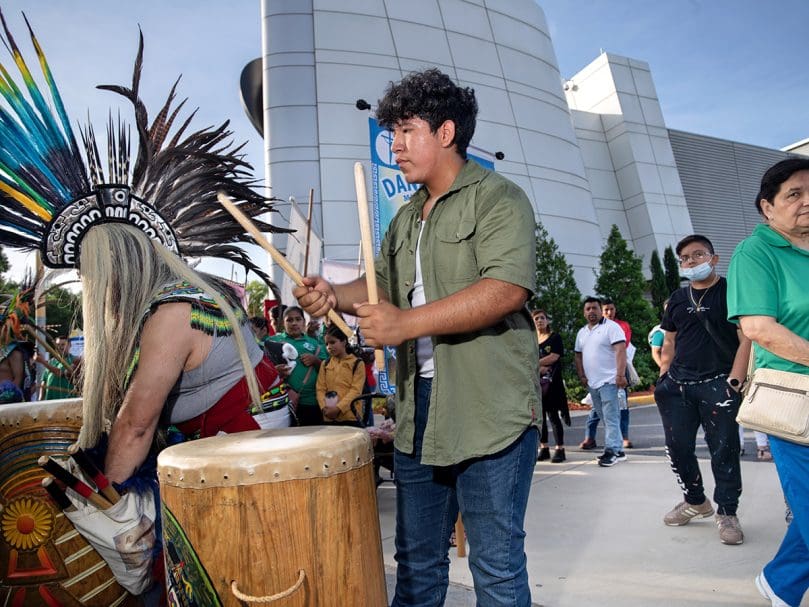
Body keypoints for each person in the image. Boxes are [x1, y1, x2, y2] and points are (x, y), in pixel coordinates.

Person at [293, 68, 539, 606]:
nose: (396, 147)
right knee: (416, 563)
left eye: (406, 132)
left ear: (445, 133)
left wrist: (406, 324)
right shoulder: (406, 217)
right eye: (392, 134)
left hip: (488, 408)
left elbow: (505, 290)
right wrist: (332, 295)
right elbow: (376, 288)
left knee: (495, 566)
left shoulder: (499, 198)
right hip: (416, 409)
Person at [727, 157, 809, 605]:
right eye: (794, 194)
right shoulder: (755, 252)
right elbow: (758, 328)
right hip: (795, 401)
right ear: (767, 208)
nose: (807, 202)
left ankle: (781, 583)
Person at [655, 234, 750, 546]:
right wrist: (664, 375)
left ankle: (727, 512)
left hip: (718, 384)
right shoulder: (678, 298)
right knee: (678, 449)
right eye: (685, 258)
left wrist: (735, 380)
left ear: (714, 258)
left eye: (698, 255)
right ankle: (696, 501)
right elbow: (668, 339)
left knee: (724, 450)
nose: (691, 262)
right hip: (678, 387)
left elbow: (746, 337)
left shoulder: (731, 292)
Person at [574, 297, 627, 467]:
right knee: (605, 416)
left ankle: (611, 451)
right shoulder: (582, 332)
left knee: (611, 417)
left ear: (600, 309)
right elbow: (578, 355)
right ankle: (619, 451)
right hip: (593, 383)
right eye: (588, 308)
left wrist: (620, 375)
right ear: (584, 312)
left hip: (609, 381)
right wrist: (582, 375)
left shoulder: (611, 328)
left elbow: (620, 351)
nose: (591, 311)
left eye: (594, 308)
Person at [269, 306, 327, 426]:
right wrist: (275, 371)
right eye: (289, 320)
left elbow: (327, 370)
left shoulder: (315, 343)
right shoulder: (273, 342)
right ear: (283, 323)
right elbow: (263, 370)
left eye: (298, 319)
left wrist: (315, 360)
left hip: (311, 402)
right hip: (283, 402)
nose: (294, 323)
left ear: (304, 322)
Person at [532, 309, 569, 463]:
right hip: (536, 384)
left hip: (552, 385)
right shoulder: (532, 340)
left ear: (547, 320)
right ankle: (544, 447)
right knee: (539, 418)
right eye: (536, 318)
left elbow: (554, 356)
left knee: (553, 416)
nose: (539, 320)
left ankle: (560, 449)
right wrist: (538, 367)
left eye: (542, 318)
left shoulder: (555, 338)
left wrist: (535, 363)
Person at [316, 325, 366, 424]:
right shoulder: (325, 364)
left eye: (333, 342)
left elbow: (356, 391)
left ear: (344, 341)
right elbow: (320, 388)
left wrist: (338, 408)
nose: (329, 347)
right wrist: (324, 408)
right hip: (329, 417)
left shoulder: (357, 363)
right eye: (326, 344)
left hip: (350, 416)